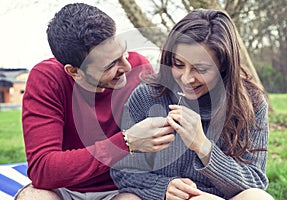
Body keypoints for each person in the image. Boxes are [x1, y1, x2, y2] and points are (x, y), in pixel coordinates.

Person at [16, 3, 176, 200]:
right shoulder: (47, 79)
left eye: (123, 52)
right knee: (34, 197)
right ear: (74, 72)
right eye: (110, 64)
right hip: (65, 190)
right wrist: (126, 142)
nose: (126, 66)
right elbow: (43, 170)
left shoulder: (139, 68)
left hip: (122, 189)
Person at [111, 9, 274, 200]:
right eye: (178, 64)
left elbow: (255, 183)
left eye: (201, 69)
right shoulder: (147, 96)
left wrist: (203, 146)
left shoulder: (250, 104)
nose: (186, 78)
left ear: (224, 66)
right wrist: (163, 188)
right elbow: (122, 170)